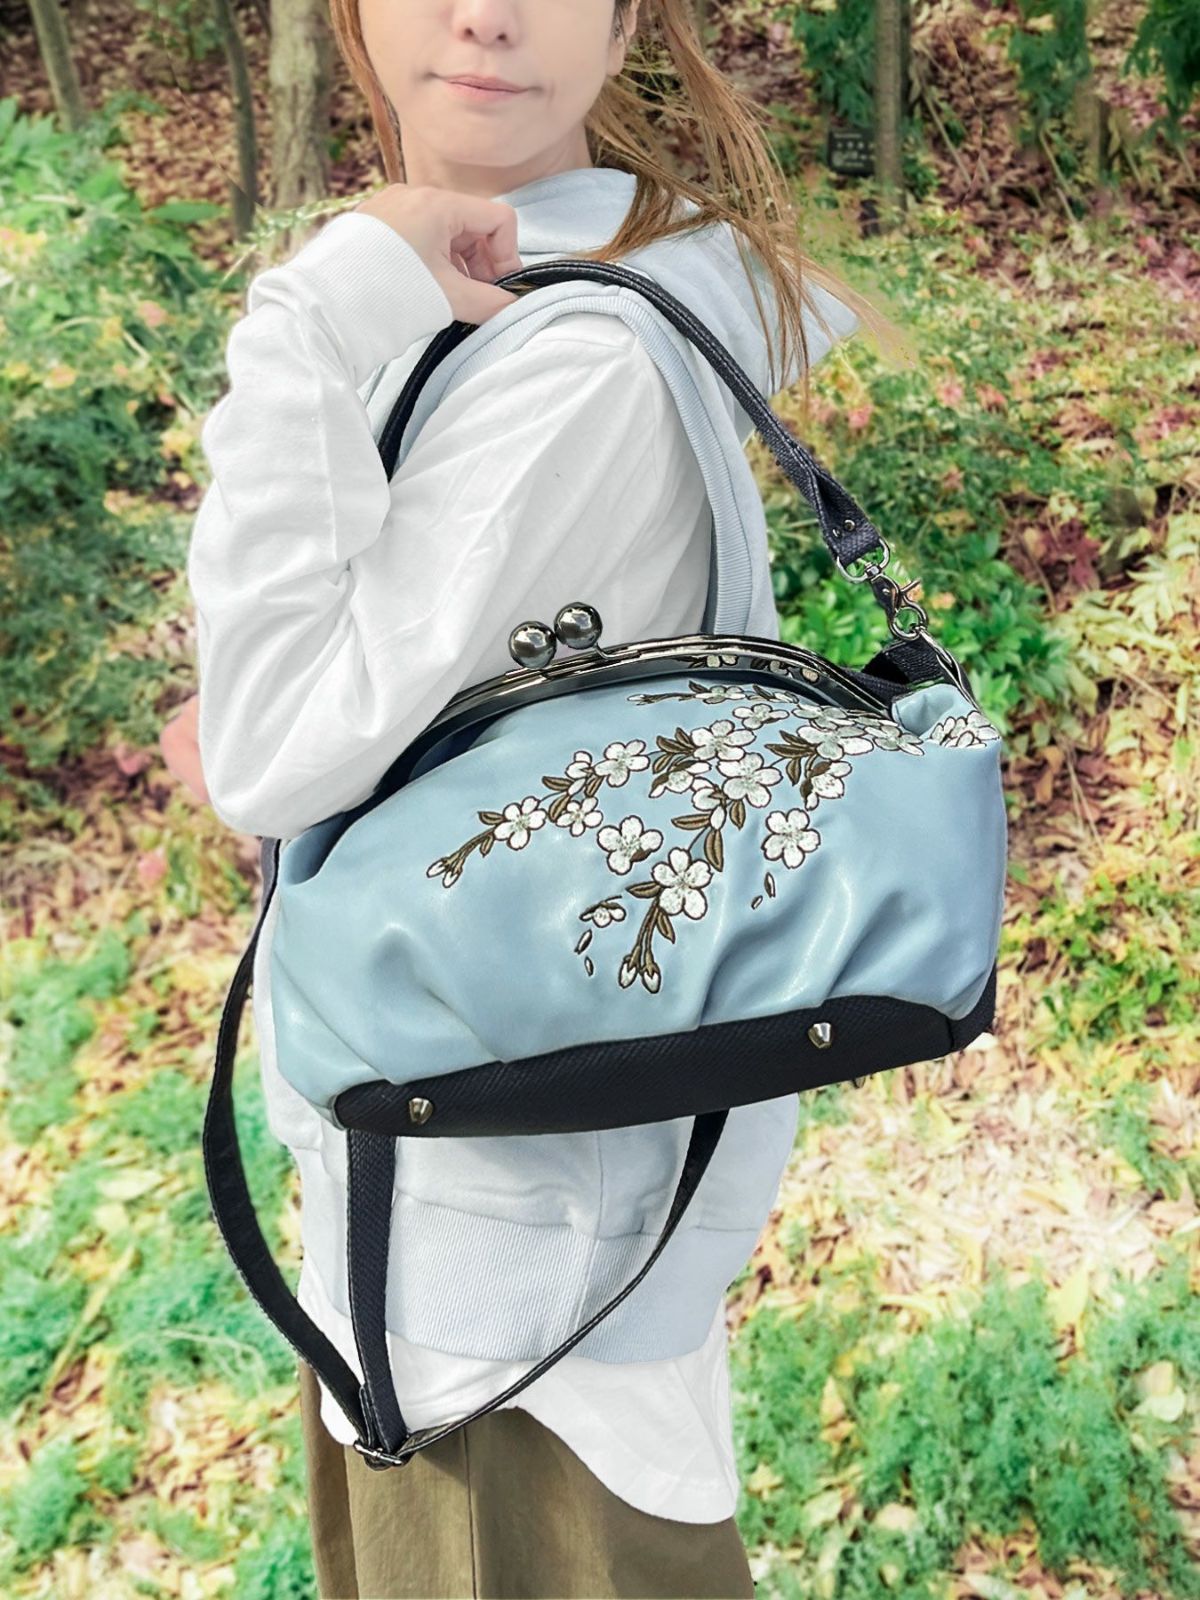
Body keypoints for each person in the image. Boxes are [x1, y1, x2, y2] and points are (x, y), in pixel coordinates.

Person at [169, 1, 890, 1594]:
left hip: (499, 1301)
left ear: (627, 22)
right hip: (499, 1204)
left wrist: (308, 313)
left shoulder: (575, 353)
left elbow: (273, 746)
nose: (486, 11)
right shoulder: (548, 288)